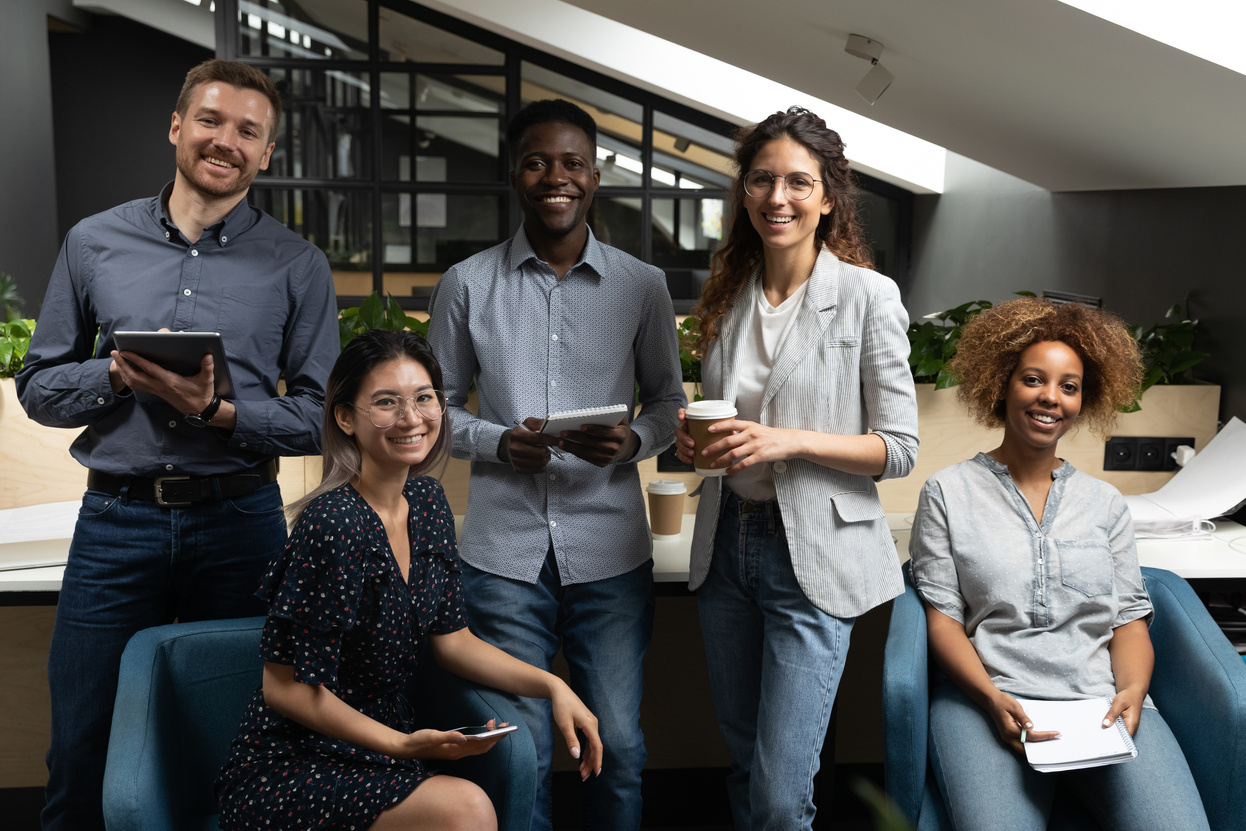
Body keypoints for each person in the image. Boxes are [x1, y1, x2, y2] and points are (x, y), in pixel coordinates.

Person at [15, 59, 339, 831]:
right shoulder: (94, 242)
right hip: (113, 525)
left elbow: (324, 417)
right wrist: (121, 376)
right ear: (176, 127)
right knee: (81, 742)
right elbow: (39, 386)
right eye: (210, 120)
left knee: (234, 739)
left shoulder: (299, 265)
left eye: (248, 131)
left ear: (266, 155)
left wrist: (220, 411)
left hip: (242, 523)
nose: (224, 141)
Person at [216, 329, 602, 831]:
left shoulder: (427, 503)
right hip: (294, 762)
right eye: (386, 403)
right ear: (345, 417)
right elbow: (284, 690)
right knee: (466, 809)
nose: (412, 418)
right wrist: (400, 742)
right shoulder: (333, 522)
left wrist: (553, 686)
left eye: (424, 398)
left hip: (383, 747)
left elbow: (454, 642)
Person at [427, 98, 685, 831]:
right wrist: (497, 440)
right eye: (538, 161)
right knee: (525, 751)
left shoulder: (643, 285)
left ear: (596, 175)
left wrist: (632, 440)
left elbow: (668, 402)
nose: (555, 177)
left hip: (610, 550)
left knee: (622, 745)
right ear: (515, 174)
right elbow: (436, 408)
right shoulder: (467, 284)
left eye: (572, 162)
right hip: (503, 554)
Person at [672, 106, 919, 830]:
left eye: (797, 182)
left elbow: (898, 448)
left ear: (829, 197)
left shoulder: (868, 297)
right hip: (726, 550)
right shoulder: (725, 298)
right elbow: (728, 424)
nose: (777, 197)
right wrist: (698, 446)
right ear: (745, 193)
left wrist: (787, 441)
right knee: (747, 766)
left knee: (783, 793)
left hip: (811, 554)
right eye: (762, 180)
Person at [908, 297, 1210, 830]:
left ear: (1083, 400)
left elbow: (1128, 619)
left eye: (1069, 387)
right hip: (988, 701)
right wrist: (989, 697)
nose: (1051, 398)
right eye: (1033, 379)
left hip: (1098, 707)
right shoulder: (948, 493)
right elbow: (943, 619)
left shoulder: (1105, 503)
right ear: (1002, 384)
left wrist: (1132, 693)